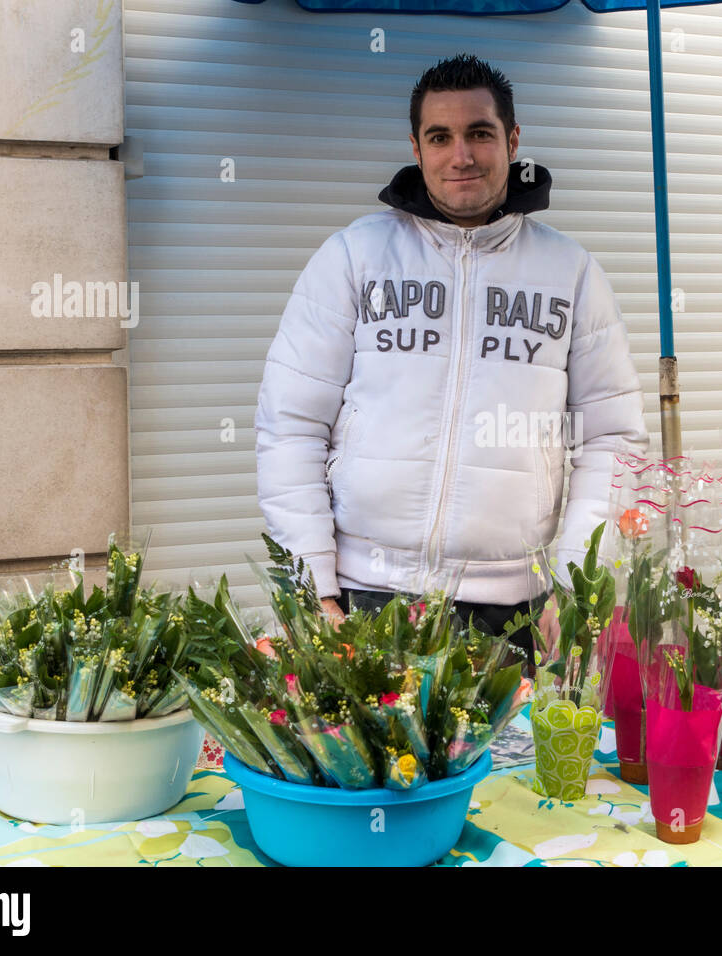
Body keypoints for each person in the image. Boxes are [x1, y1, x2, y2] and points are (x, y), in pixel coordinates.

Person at [254, 54, 648, 663]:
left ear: (512, 141)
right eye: (440, 136)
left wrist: (573, 587)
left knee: (512, 762)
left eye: (479, 133)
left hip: (516, 610)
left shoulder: (570, 273)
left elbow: (612, 443)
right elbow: (290, 426)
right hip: (363, 600)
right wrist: (314, 589)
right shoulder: (353, 259)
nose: (460, 155)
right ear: (416, 147)